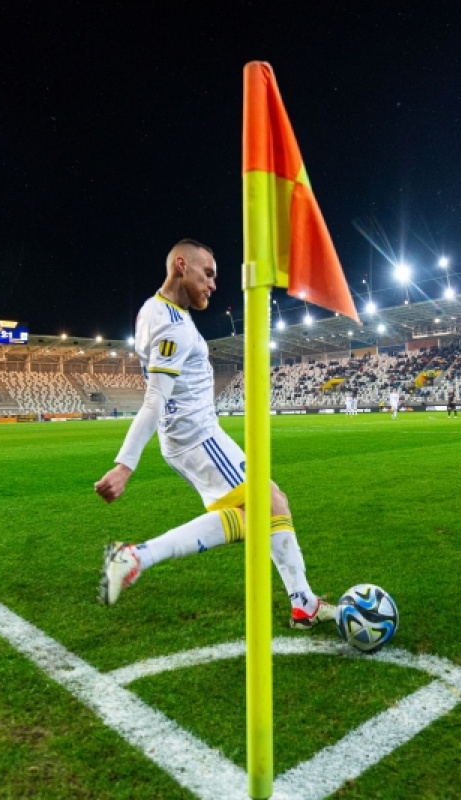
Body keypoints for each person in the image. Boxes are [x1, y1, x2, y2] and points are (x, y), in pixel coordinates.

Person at [94, 239, 335, 630]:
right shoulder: (174, 326)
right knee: (272, 501)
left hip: (186, 439)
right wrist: (125, 465)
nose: (213, 284)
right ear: (180, 265)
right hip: (198, 436)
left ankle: (302, 603)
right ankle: (137, 556)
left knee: (255, 512)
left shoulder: (153, 310)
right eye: (207, 274)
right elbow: (155, 399)